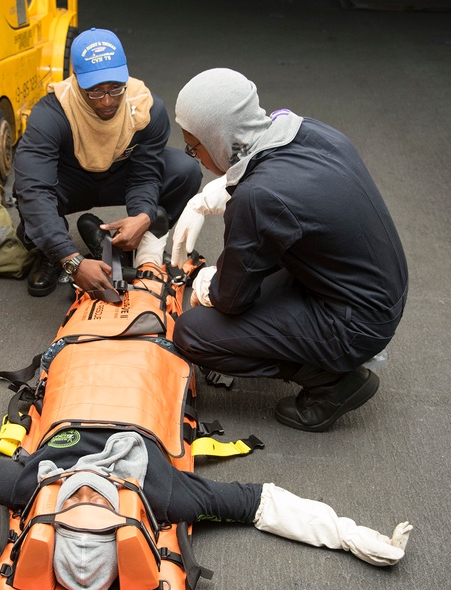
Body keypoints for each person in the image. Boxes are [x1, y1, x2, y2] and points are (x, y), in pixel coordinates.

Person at [0, 392, 412, 590]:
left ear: (49, 522)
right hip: (144, 375)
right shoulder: (168, 498)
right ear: (128, 522)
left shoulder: (27, 490)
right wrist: (347, 534)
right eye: (100, 510)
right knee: (153, 272)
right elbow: (260, 502)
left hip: (81, 370)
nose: (86, 495)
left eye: (73, 509)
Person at [170, 68, 409, 432]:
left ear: (219, 137)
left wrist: (209, 286)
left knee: (193, 333)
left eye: (194, 145)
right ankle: (317, 348)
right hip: (377, 288)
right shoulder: (310, 130)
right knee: (256, 280)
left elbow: (231, 300)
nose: (195, 156)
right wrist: (214, 194)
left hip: (355, 324)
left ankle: (331, 381)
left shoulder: (256, 198)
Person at [13, 27, 202, 297]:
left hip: (119, 175)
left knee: (185, 170)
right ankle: (51, 253)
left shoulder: (146, 108)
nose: (106, 101)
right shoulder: (50, 113)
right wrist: (70, 258)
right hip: (69, 181)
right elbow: (34, 189)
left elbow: (144, 176)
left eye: (115, 88)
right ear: (76, 80)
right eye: (95, 91)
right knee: (27, 192)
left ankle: (141, 243)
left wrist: (143, 216)